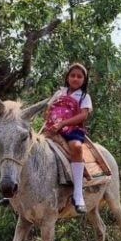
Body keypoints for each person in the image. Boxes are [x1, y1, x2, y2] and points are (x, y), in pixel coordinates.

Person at [45, 63, 93, 213]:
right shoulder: (60, 93)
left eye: (79, 76)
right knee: (31, 144)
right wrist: (50, 121)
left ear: (84, 80)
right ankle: (14, 191)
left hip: (72, 129)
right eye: (72, 75)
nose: (75, 78)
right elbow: (49, 109)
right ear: (67, 77)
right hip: (53, 128)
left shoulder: (84, 97)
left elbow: (83, 115)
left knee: (76, 147)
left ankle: (78, 194)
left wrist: (63, 123)